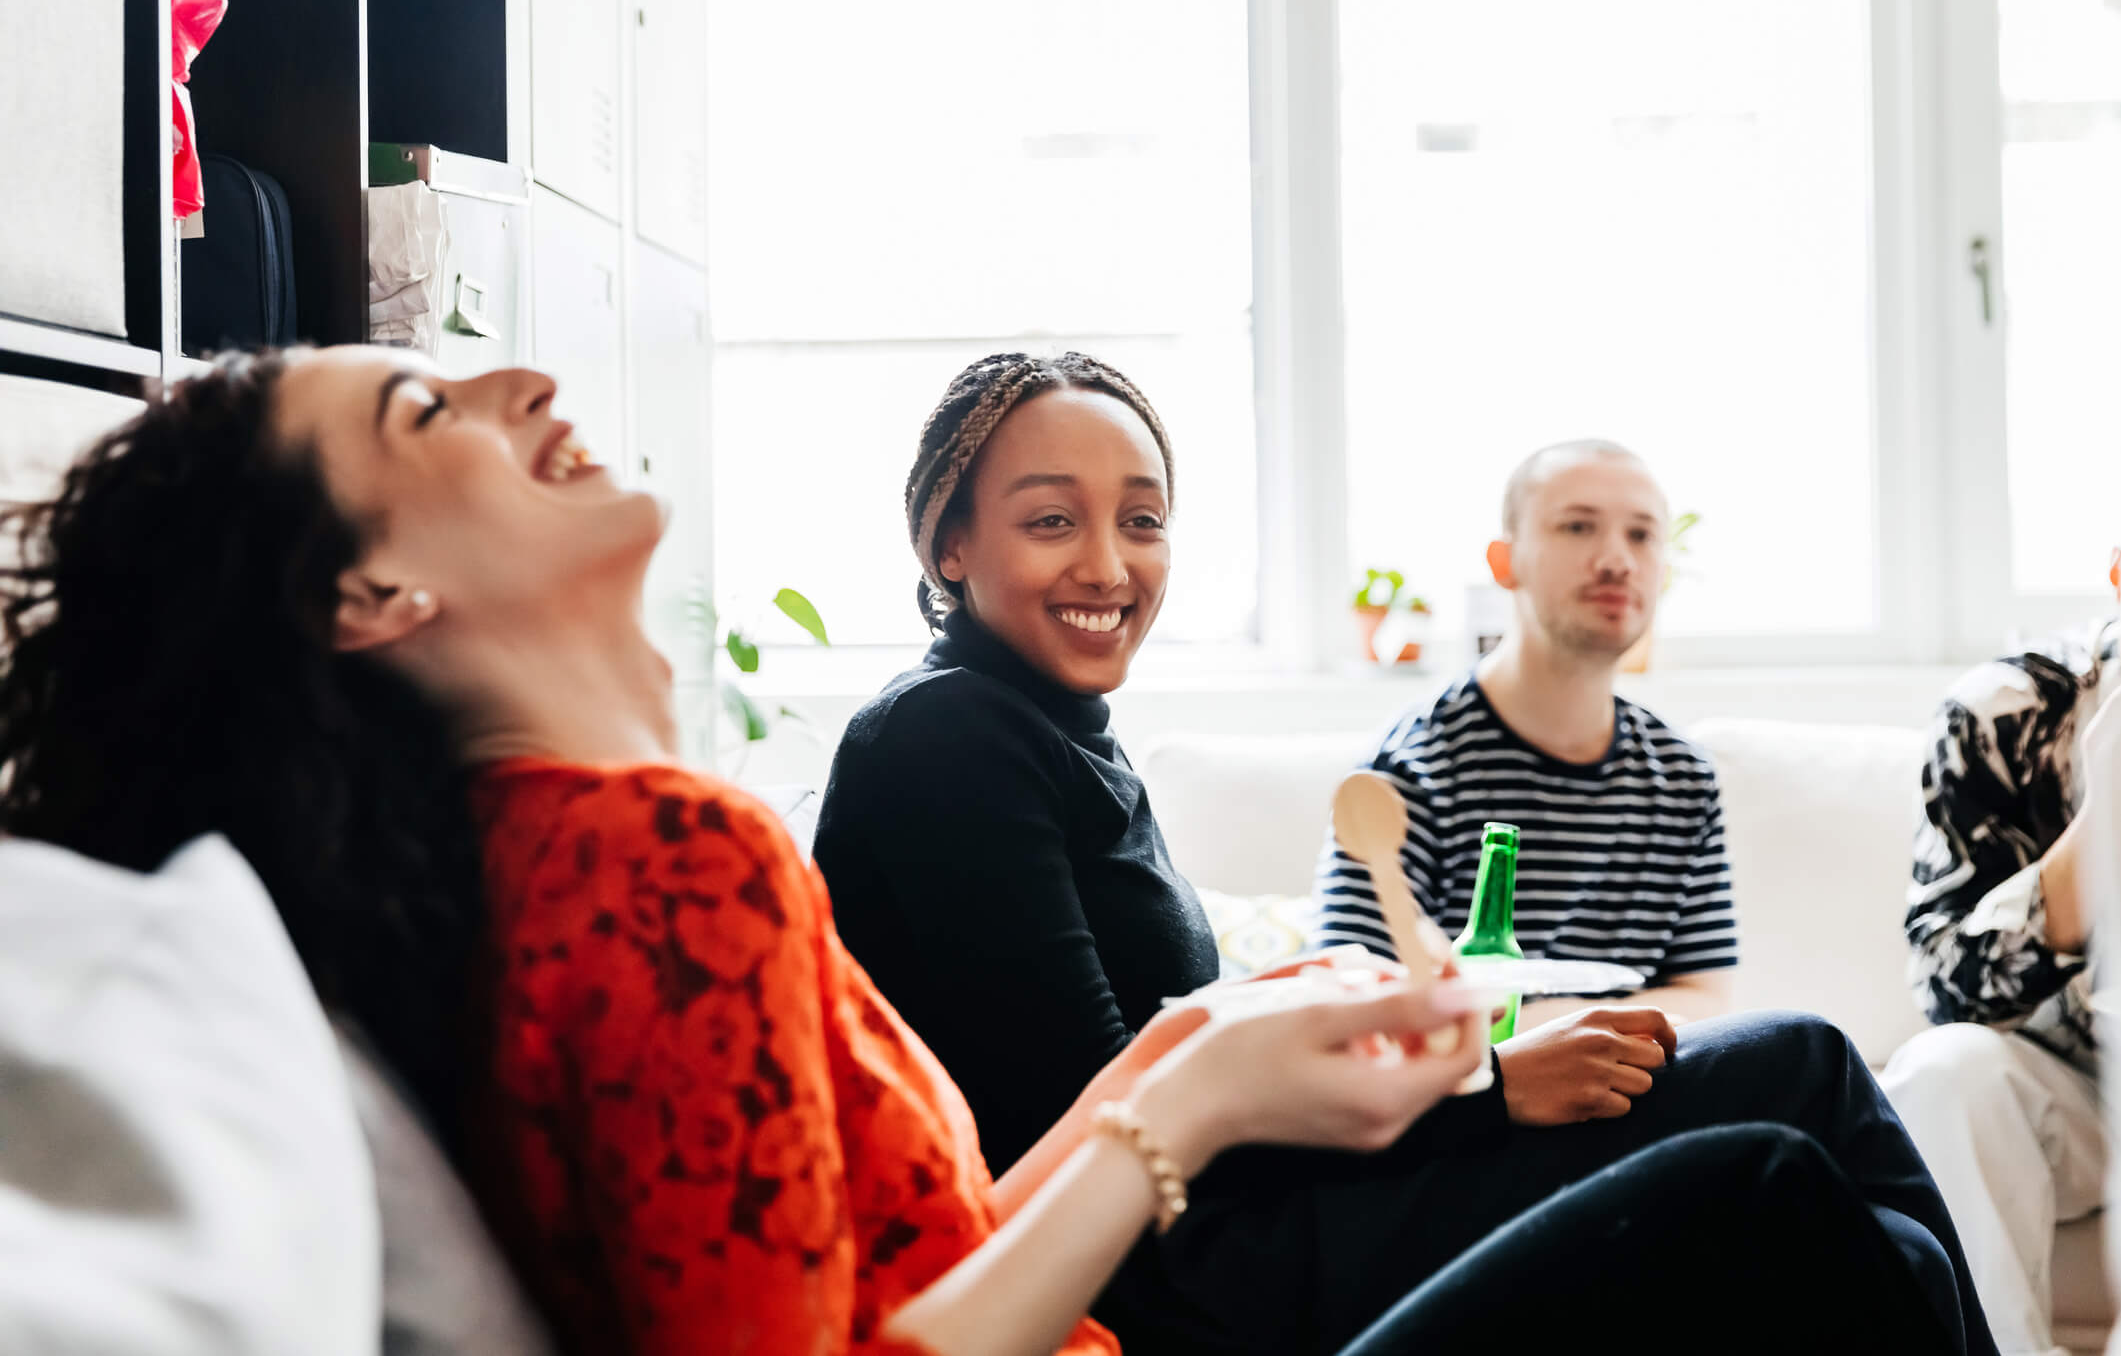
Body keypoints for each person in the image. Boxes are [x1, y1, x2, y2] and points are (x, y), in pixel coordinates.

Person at [0, 345, 1978, 1356]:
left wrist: (1219, 1047)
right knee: (1782, 1187)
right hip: (1170, 1314)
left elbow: (901, 1247)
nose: (524, 380)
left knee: (1812, 1151)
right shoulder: (667, 851)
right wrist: (1197, 1091)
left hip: (1132, 1291)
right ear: (368, 591)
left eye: (1143, 511)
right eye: (428, 403)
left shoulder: (552, 843)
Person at [813, 353, 1997, 1355]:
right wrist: (1486, 1091)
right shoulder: (944, 741)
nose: (1110, 567)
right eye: (1051, 520)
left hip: (1238, 1222)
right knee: (1789, 1129)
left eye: (1142, 519)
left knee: (1859, 1172)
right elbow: (1102, 1127)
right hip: (1180, 1282)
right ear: (948, 543)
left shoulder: (1051, 732)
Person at [1311, 439, 1738, 1042]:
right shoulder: (1411, 771)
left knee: (1800, 1042)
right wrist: (1553, 1042)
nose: (1617, 559)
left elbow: (1707, 996)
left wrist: (1539, 1026)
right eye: (1578, 527)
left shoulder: (1683, 777)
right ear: (1504, 562)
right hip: (1485, 1095)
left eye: (1642, 535)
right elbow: (1355, 1006)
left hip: (1650, 1083)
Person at [1883, 604, 2121, 1356]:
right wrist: (2101, 820)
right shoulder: (2000, 716)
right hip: (2067, 1084)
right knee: (1943, 1072)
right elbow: (1945, 988)